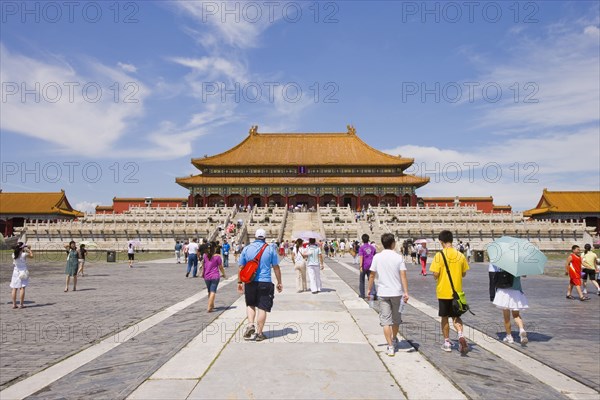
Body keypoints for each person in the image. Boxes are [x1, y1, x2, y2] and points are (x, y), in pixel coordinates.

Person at [366, 233, 409, 357]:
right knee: (396, 320)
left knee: (385, 321)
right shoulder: (398, 257)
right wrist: (406, 292)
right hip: (397, 293)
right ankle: (394, 338)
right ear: (393, 243)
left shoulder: (377, 257)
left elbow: (372, 275)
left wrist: (369, 289)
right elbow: (403, 276)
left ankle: (390, 346)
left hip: (383, 293)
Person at [429, 230, 470, 354]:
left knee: (445, 317)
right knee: (456, 317)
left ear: (441, 242)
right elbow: (464, 273)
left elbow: (435, 274)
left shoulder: (439, 255)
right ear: (452, 240)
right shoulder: (460, 255)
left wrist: (437, 276)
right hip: (457, 292)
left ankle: (447, 342)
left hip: (443, 292)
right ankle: (460, 335)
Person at [238, 229, 282, 341]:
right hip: (265, 281)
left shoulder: (247, 248)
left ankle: (250, 325)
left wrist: (239, 282)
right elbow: (276, 267)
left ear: (255, 237)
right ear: (265, 237)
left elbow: (241, 267)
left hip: (250, 281)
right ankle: (259, 333)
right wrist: (279, 282)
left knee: (250, 304)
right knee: (262, 307)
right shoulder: (270, 249)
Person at [493, 271, 529, 345]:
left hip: (504, 291)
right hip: (516, 291)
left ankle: (509, 336)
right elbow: (524, 275)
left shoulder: (504, 263)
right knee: (516, 315)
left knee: (506, 317)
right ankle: (521, 330)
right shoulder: (519, 266)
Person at [203, 242, 226, 312]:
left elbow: (204, 265)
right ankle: (209, 307)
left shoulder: (205, 255)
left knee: (209, 291)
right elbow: (221, 267)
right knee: (213, 291)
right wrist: (224, 274)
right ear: (215, 248)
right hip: (215, 276)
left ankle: (212, 305)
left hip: (206, 276)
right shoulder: (217, 257)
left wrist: (203, 274)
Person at [10, 242, 33, 309]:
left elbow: (16, 253)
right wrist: (30, 249)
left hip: (15, 271)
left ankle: (14, 304)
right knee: (22, 288)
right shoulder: (23, 254)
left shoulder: (13, 254)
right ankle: (21, 304)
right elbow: (32, 256)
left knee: (14, 288)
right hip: (23, 271)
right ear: (22, 248)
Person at [358, 234, 377, 299]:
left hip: (364, 265)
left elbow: (361, 257)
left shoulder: (361, 247)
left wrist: (360, 266)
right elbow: (374, 255)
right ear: (368, 239)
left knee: (362, 280)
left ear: (362, 240)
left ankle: (362, 294)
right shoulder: (372, 247)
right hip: (371, 265)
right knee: (371, 279)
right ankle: (373, 294)